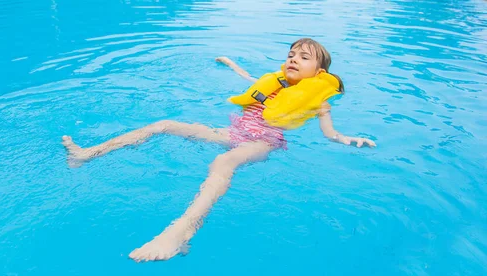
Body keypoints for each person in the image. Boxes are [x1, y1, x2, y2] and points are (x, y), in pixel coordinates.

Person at [61, 38, 377, 262]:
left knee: (223, 162)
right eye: (291, 53)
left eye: (304, 57)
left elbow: (331, 133)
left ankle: (181, 232)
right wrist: (230, 63)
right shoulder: (273, 83)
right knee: (165, 124)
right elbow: (247, 78)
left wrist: (350, 140)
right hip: (233, 132)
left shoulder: (318, 100)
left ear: (319, 73)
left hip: (262, 142)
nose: (294, 58)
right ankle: (88, 153)